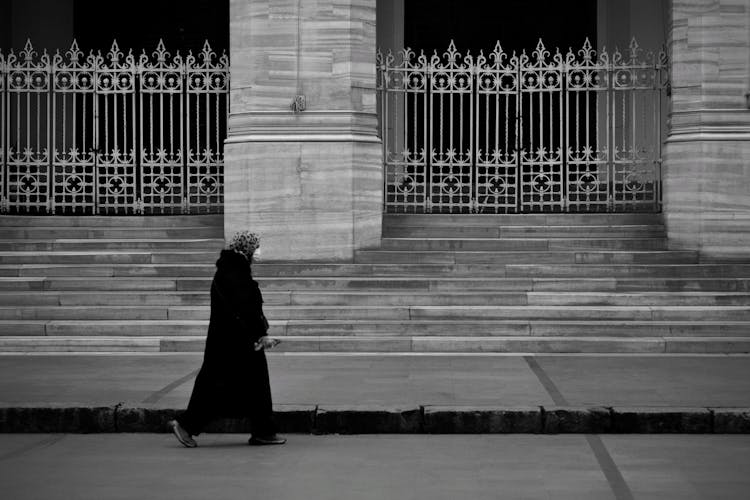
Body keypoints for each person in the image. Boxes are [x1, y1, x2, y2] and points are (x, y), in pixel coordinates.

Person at [169, 231, 285, 447]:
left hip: (230, 342)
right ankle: (186, 425)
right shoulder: (235, 273)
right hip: (235, 344)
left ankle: (263, 431)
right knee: (220, 387)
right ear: (247, 250)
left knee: (244, 386)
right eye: (256, 247)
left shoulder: (230, 270)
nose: (259, 251)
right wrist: (261, 335)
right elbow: (245, 309)